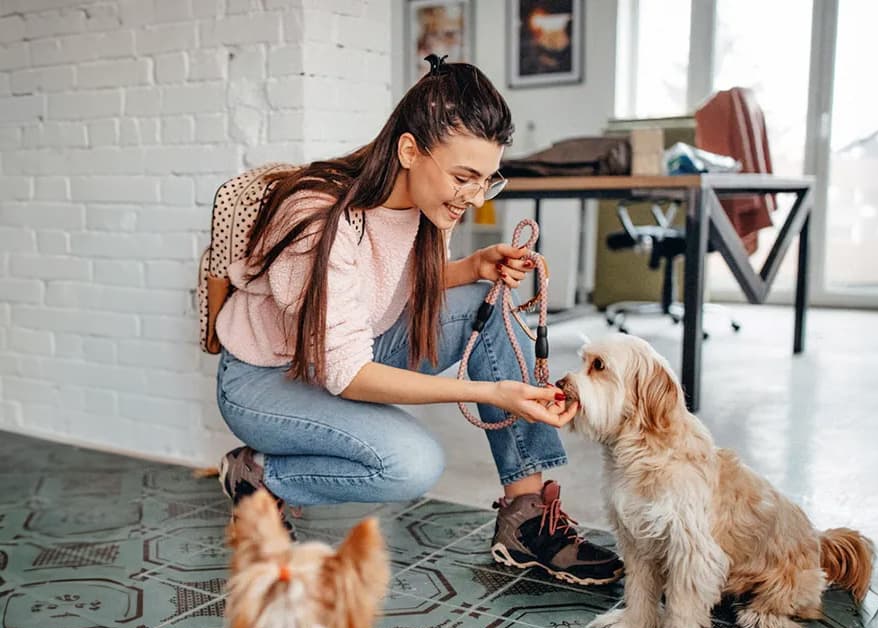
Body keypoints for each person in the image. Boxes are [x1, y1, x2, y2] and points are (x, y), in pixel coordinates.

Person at [214, 55, 622, 587]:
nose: (475, 198)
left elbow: (376, 286)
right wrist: (494, 392)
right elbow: (348, 372)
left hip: (348, 348)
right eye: (464, 177)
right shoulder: (319, 218)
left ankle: (525, 518)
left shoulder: (427, 207)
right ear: (410, 150)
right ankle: (260, 476)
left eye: (486, 181)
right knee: (410, 464)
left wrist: (471, 268)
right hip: (267, 379)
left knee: (488, 297)